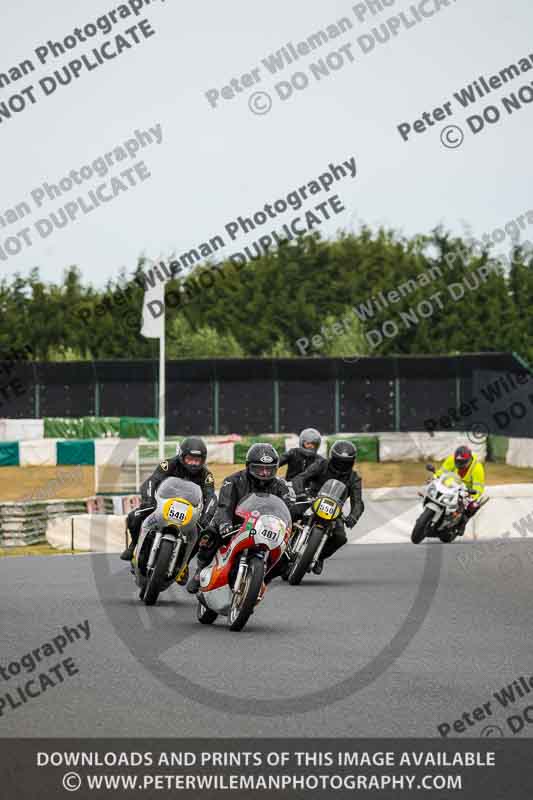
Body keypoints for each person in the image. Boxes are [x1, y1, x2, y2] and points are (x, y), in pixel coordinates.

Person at [186, 442, 294, 594]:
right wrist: (225, 524)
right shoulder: (233, 481)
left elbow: (288, 510)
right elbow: (225, 506)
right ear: (249, 466)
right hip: (235, 523)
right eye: (259, 469)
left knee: (287, 560)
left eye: (269, 469)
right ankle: (200, 570)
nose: (264, 473)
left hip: (265, 529)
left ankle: (262, 580)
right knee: (208, 536)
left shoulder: (281, 486)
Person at [120, 437, 217, 575]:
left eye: (198, 460)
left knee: (200, 531)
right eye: (190, 459)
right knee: (133, 516)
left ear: (203, 460)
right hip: (162, 503)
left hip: (188, 510)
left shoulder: (206, 475)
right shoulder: (169, 464)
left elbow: (211, 497)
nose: (194, 464)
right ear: (182, 456)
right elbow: (151, 481)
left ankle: (185, 565)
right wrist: (149, 500)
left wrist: (205, 518)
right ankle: (134, 545)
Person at [291, 440, 364, 575]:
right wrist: (300, 493)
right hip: (311, 500)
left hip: (334, 510)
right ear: (332, 458)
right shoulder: (321, 464)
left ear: (352, 462)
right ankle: (279, 544)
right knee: (291, 513)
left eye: (346, 462)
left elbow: (358, 501)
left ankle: (319, 557)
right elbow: (301, 478)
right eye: (339, 461)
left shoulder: (354, 478)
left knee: (340, 537)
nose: (342, 465)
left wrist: (353, 516)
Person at [435, 445, 485, 536]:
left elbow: (479, 487)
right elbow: (442, 471)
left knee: (473, 505)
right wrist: (435, 477)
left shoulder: (477, 467)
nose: (460, 464)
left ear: (469, 459)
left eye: (463, 462)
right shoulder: (450, 460)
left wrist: (472, 496)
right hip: (451, 485)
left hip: (467, 491)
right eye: (458, 462)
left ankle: (463, 523)